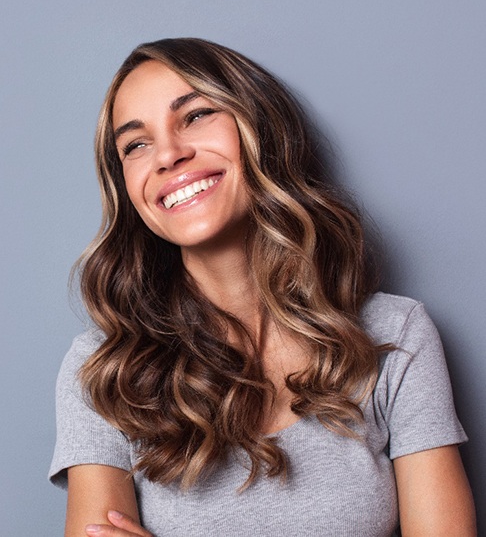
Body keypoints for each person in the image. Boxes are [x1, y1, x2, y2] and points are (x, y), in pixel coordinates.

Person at [50, 38, 476, 536]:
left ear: (260, 129)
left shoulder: (396, 337)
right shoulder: (104, 371)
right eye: (135, 144)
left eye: (196, 115)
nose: (167, 154)